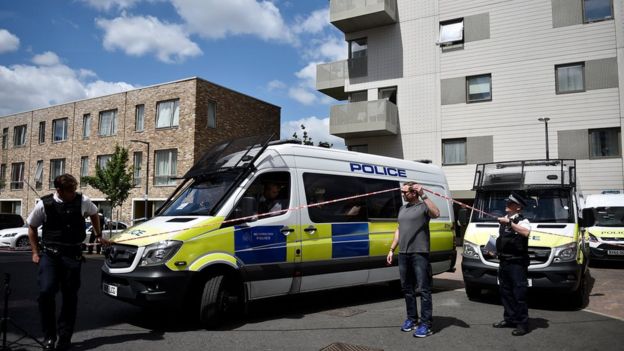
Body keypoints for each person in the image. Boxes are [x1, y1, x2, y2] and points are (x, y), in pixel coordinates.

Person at [27, 174, 107, 350]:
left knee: (70, 297)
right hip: (50, 255)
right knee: (46, 292)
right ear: (59, 190)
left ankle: (65, 336)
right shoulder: (44, 204)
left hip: (72, 255)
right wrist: (35, 252)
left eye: (74, 189)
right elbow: (31, 227)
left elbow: (95, 214)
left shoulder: (83, 201)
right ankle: (49, 335)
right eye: (70, 190)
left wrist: (99, 234)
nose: (73, 193)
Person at [386, 181, 440, 338]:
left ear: (414, 193)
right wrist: (391, 249)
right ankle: (412, 319)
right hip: (403, 254)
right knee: (407, 289)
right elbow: (399, 229)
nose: (403, 195)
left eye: (405, 192)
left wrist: (424, 194)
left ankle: (426, 324)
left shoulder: (423, 206)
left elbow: (436, 213)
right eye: (402, 192)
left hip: (419, 254)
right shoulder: (403, 209)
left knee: (424, 289)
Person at [493, 192, 531, 336]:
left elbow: (526, 232)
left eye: (510, 203)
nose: (507, 205)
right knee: (506, 292)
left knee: (519, 294)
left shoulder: (522, 221)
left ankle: (522, 324)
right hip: (504, 262)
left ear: (518, 207)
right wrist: (493, 251)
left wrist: (509, 223)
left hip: (517, 263)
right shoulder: (505, 220)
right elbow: (502, 240)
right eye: (507, 203)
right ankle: (509, 319)